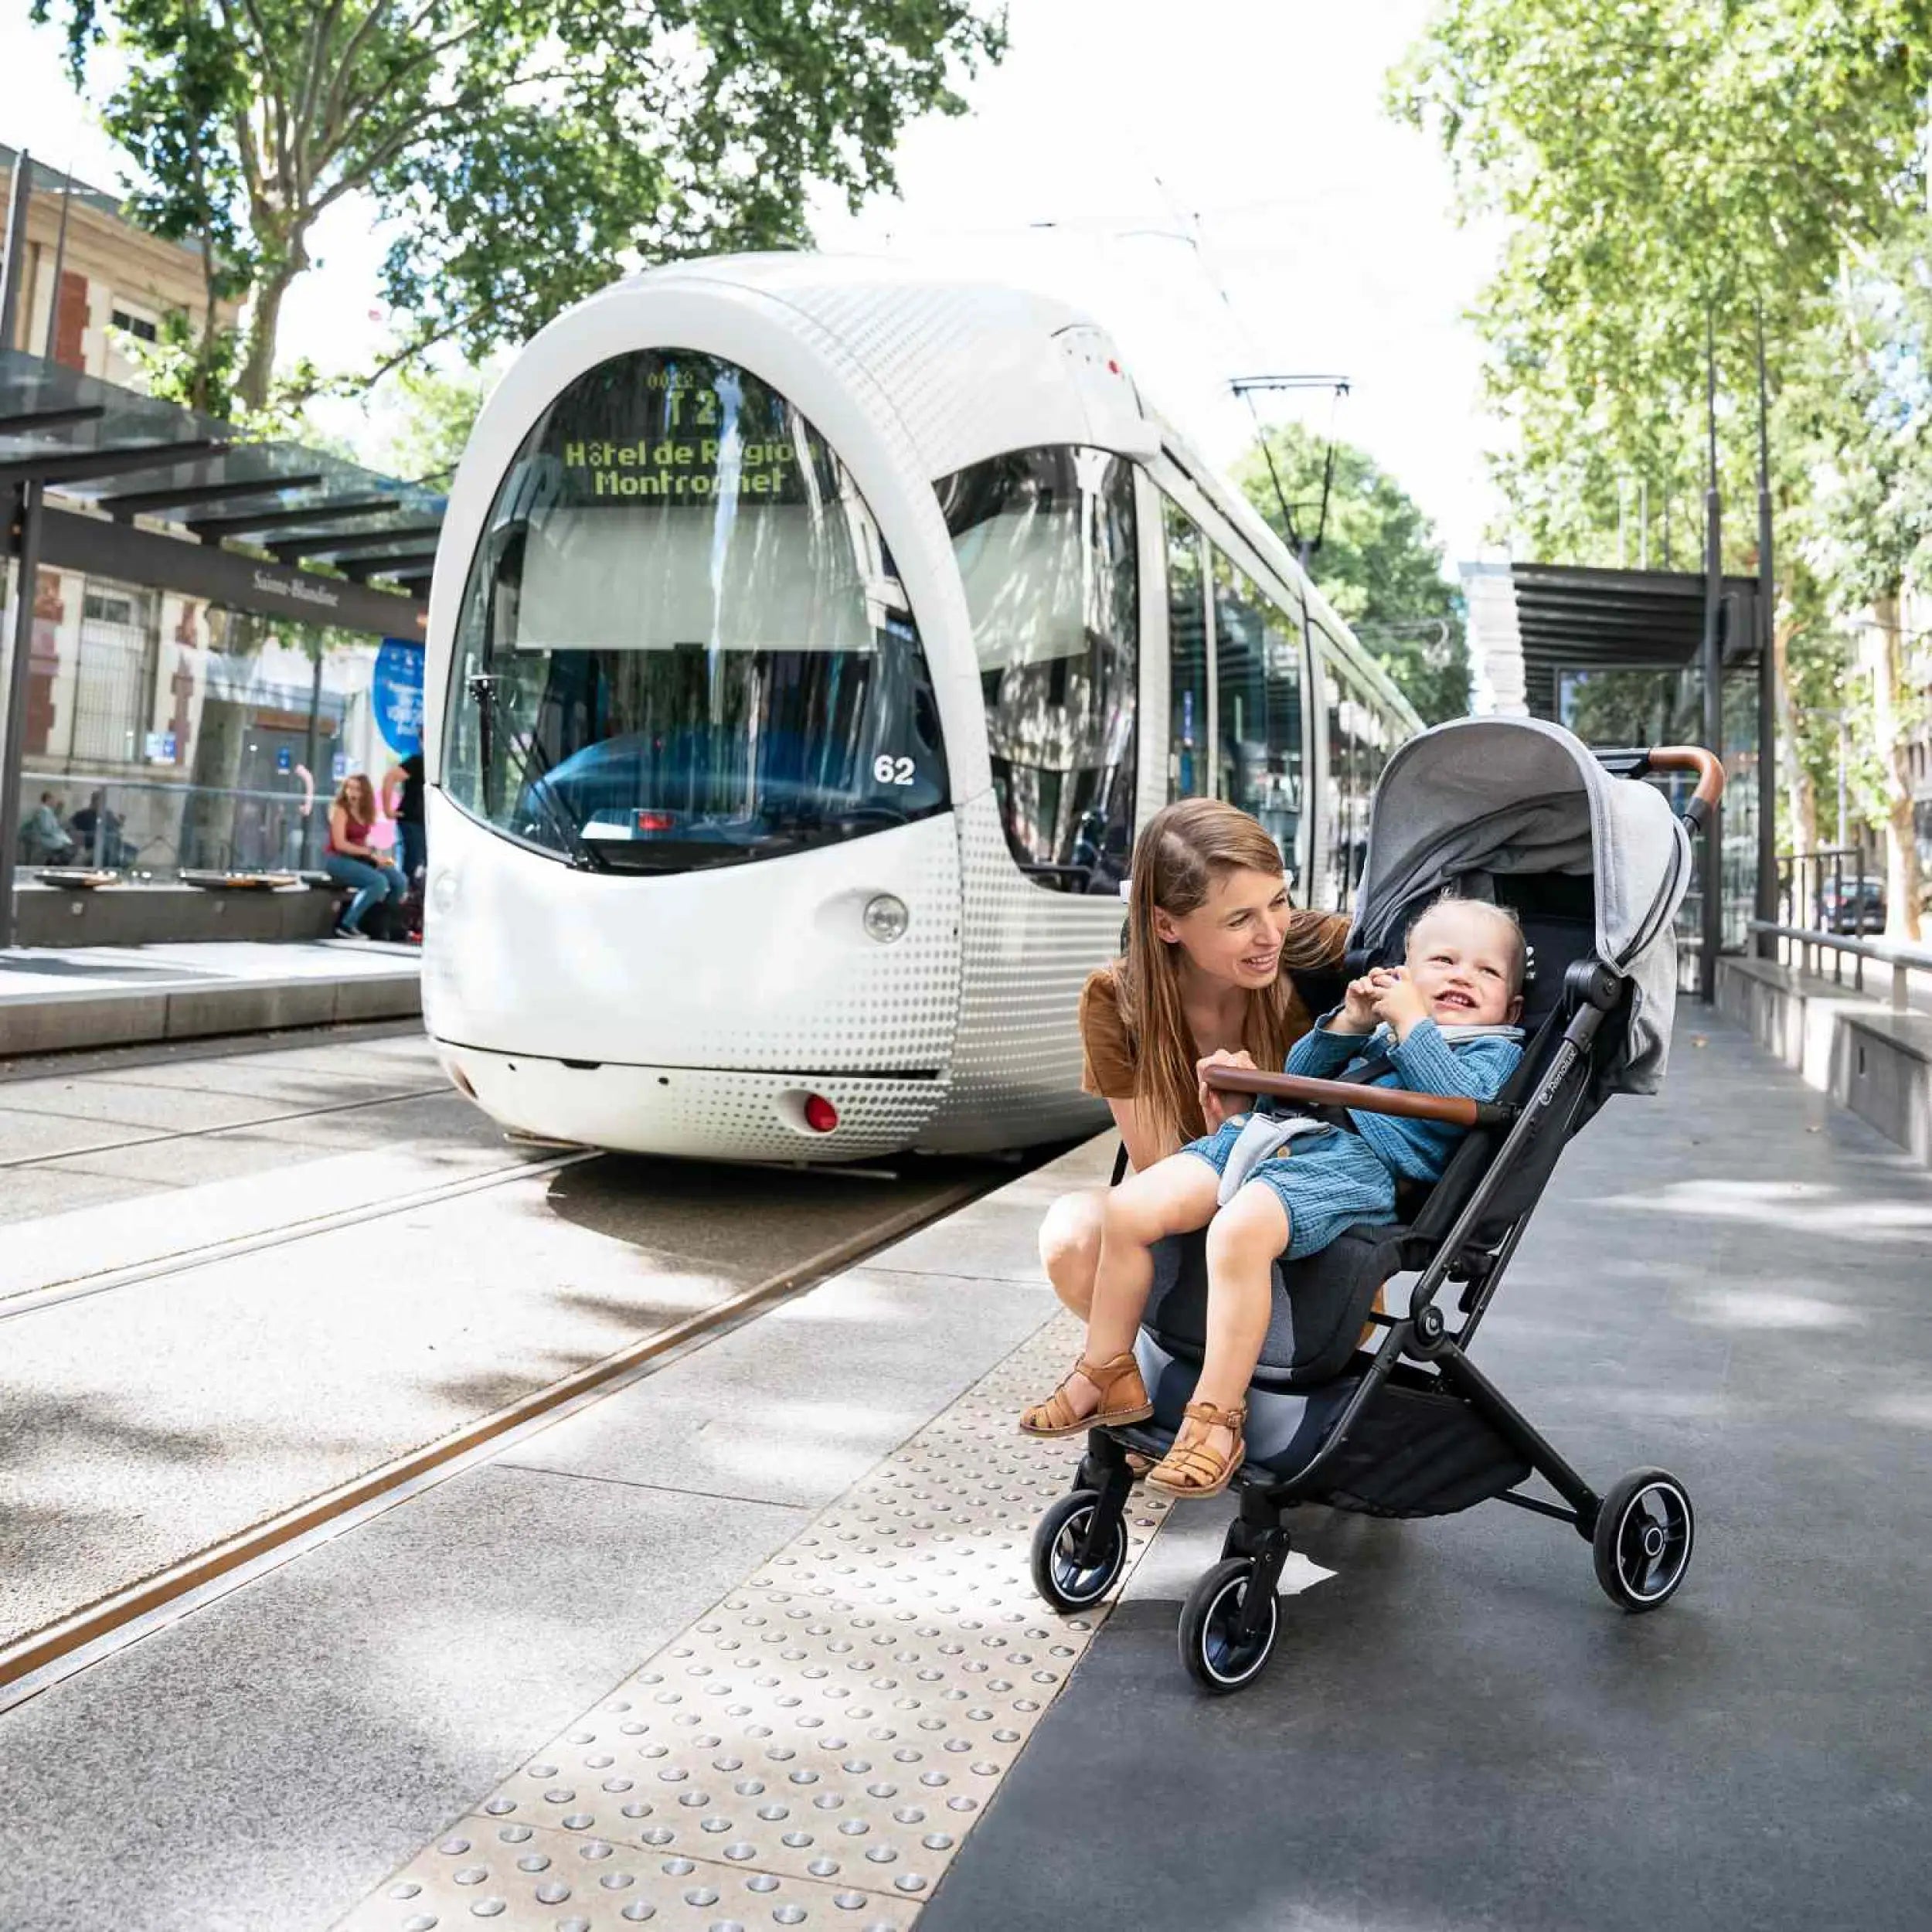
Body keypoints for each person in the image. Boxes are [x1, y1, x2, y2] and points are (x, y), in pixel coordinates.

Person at [1019, 895, 1527, 1501]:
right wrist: (1351, 1024)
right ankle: (1108, 1373)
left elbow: (1455, 1101)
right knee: (1128, 1209)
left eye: (1487, 971)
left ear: (1512, 1003)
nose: (1462, 977)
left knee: (1238, 1231)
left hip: (1357, 1168)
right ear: (1405, 972)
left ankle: (1215, 1419)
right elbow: (1302, 1070)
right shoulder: (1383, 1037)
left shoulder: (1494, 1051)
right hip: (1272, 1137)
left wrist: (1414, 1021)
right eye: (1443, 961)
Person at [1037, 798, 1350, 1322]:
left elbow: (1432, 951)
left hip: (1308, 1225)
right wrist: (1231, 1134)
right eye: (1239, 920)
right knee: (1072, 1231)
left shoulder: (1316, 953)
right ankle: (1135, 1375)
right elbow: (1160, 1170)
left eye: (1279, 901)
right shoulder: (1117, 999)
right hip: (1192, 1213)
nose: (1271, 934)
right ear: (1165, 925)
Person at [324, 772, 406, 940]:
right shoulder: (340, 810)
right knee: (378, 881)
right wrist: (369, 853)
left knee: (399, 881)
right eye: (349, 788)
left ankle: (379, 921)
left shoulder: (366, 812)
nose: (352, 793)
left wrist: (381, 858)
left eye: (357, 790)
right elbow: (340, 844)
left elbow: (365, 843)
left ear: (365, 793)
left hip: (361, 858)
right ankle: (346, 924)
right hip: (338, 860)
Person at [383, 747, 426, 882]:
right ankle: (403, 895)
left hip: (426, 822)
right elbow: (390, 777)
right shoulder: (418, 762)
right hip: (412, 820)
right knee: (410, 865)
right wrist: (387, 810)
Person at [67, 789, 124, 868]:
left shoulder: (107, 814)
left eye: (102, 802)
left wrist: (120, 822)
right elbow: (71, 827)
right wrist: (78, 837)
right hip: (89, 849)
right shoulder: (83, 815)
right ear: (93, 801)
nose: (100, 804)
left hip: (107, 849)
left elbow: (115, 827)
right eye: (99, 801)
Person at [20, 792, 76, 864]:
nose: (54, 802)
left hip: (49, 840)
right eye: (52, 800)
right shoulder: (44, 812)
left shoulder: (49, 813)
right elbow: (46, 829)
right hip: (45, 841)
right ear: (48, 800)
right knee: (66, 850)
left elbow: (54, 824)